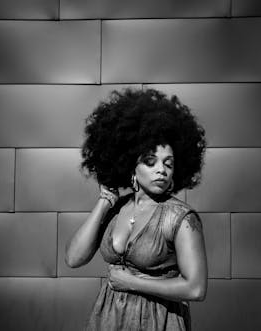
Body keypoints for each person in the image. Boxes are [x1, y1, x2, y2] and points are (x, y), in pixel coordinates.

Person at [65, 88, 207, 330]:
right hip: (109, 318)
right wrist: (105, 201)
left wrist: (131, 282)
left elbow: (195, 288)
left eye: (168, 163)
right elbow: (73, 259)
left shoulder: (181, 218)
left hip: (157, 320)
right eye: (151, 162)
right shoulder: (117, 209)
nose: (161, 169)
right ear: (131, 165)